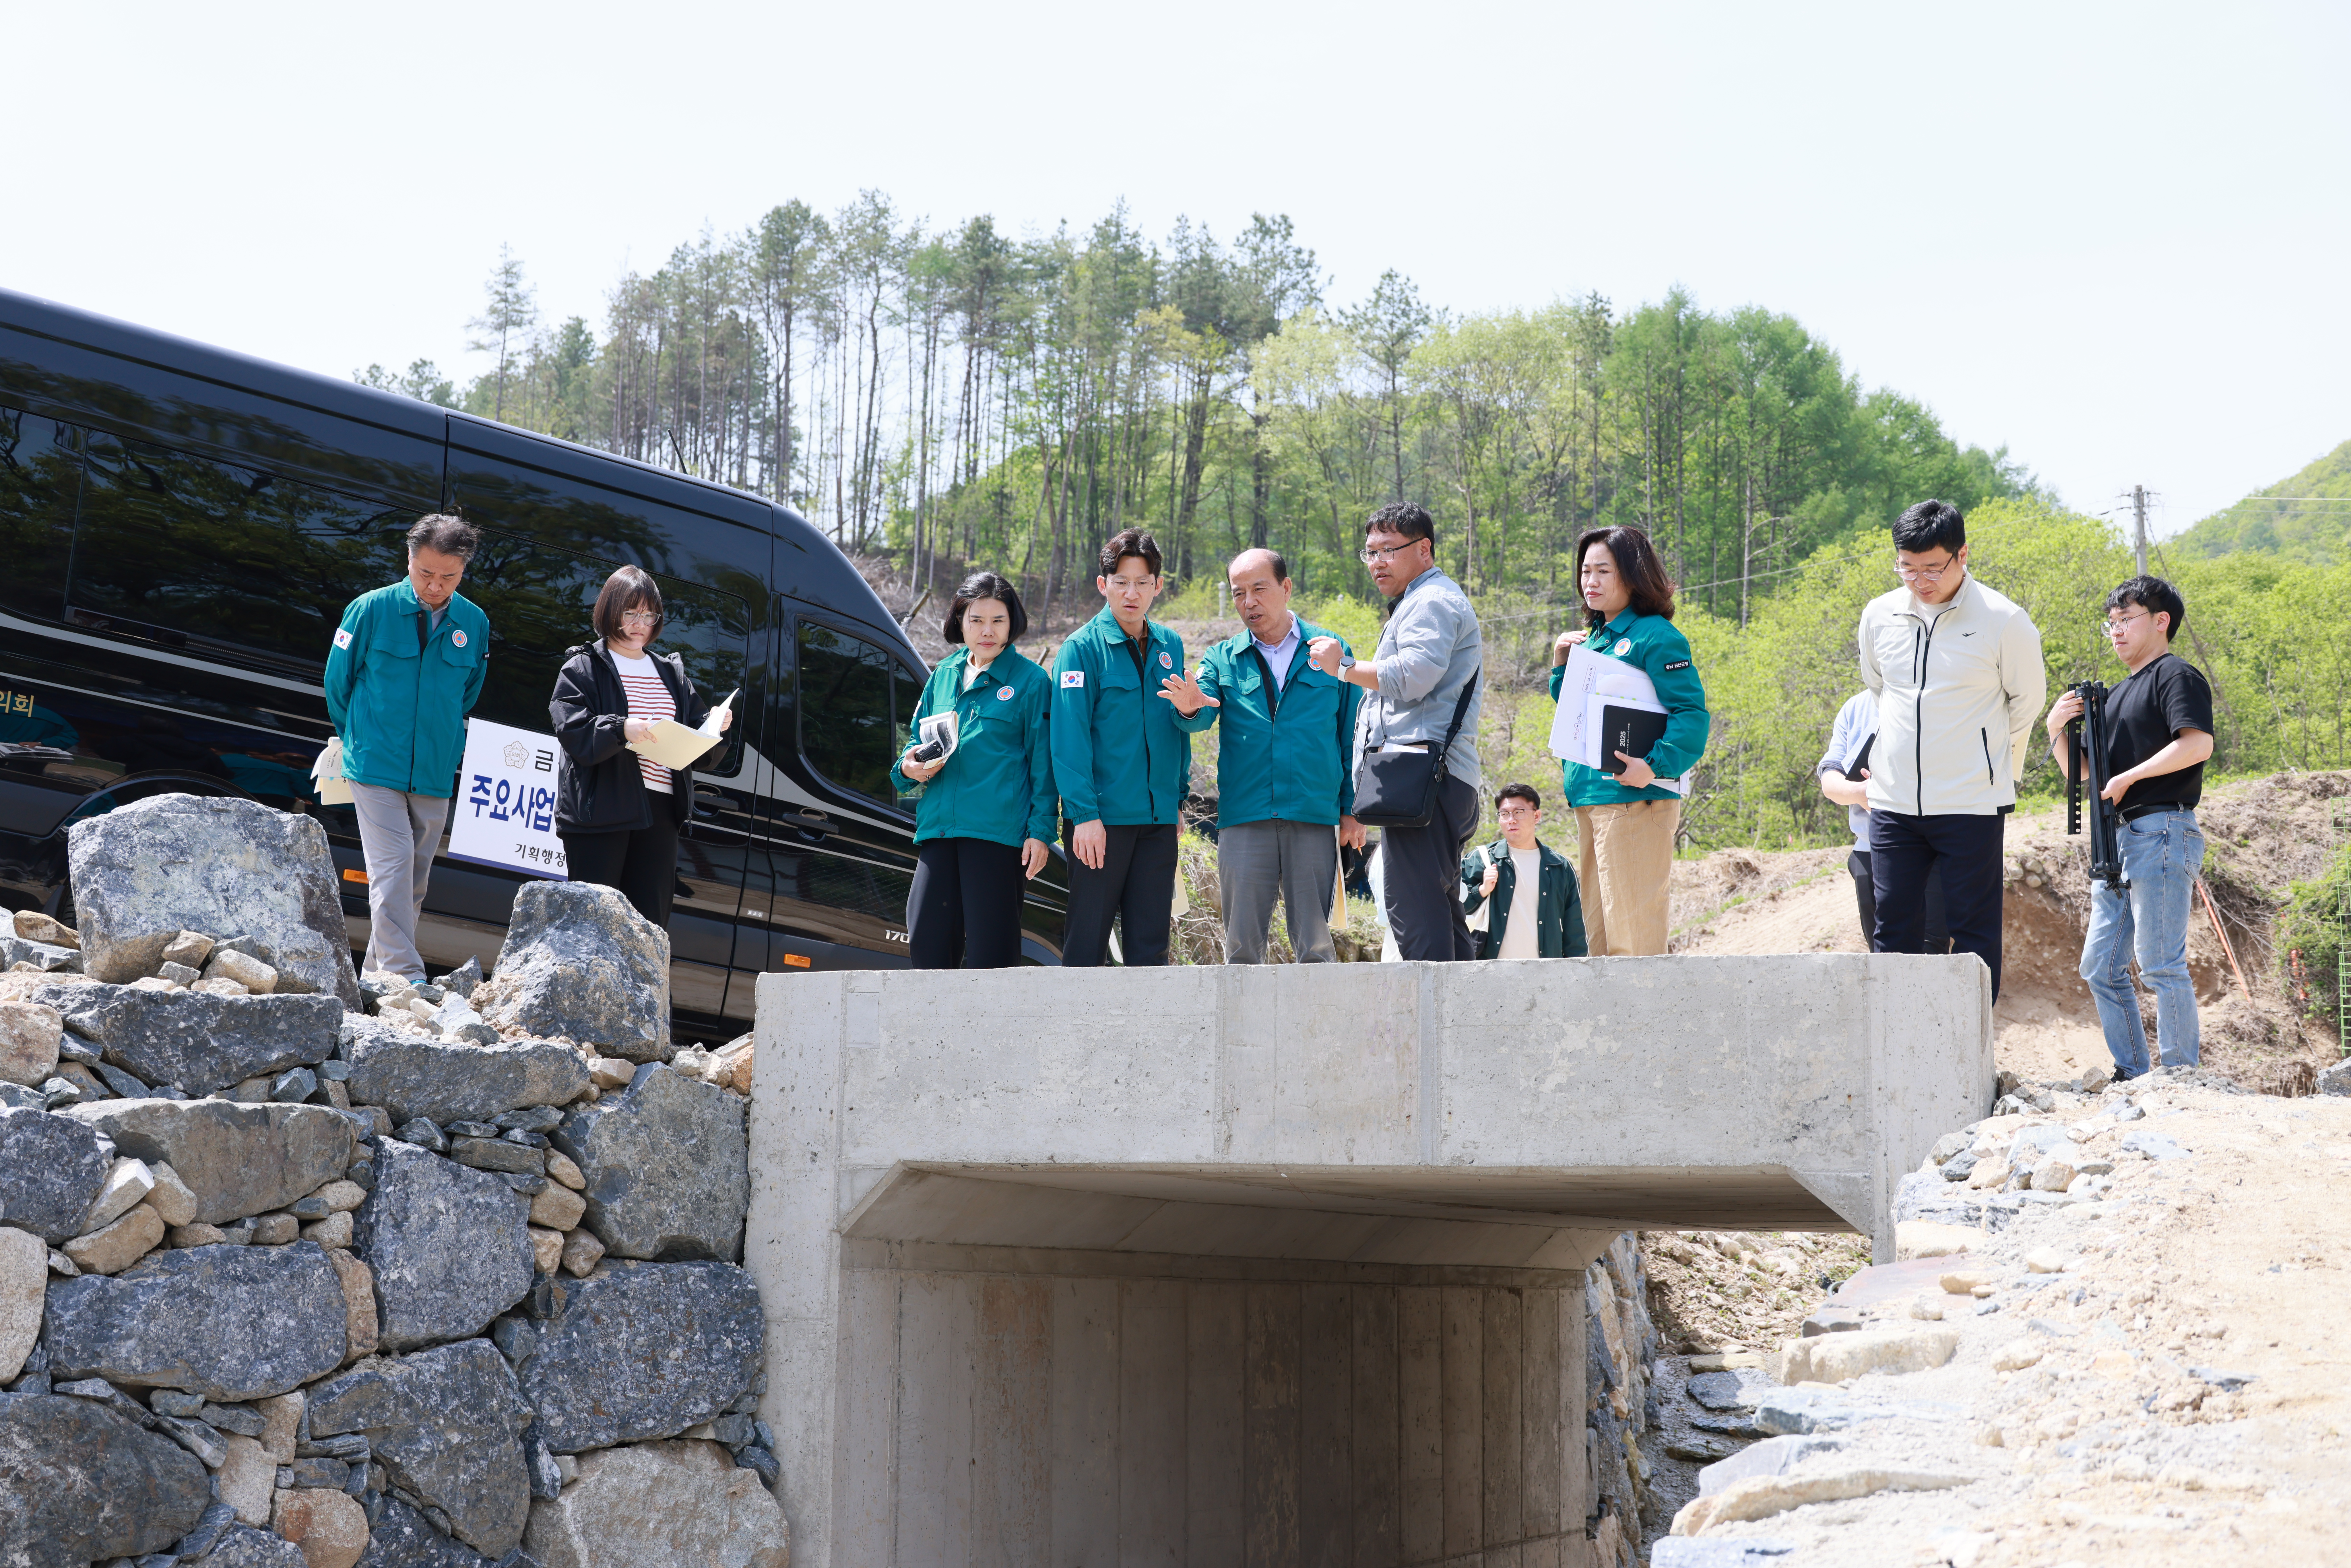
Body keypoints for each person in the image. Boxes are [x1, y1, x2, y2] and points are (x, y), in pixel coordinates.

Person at [1857, 499, 2045, 999]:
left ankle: (1972, 1039)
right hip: (1894, 800)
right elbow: (1879, 687)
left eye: (1932, 569)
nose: (1919, 581)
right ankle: (1894, 1035)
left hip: (1970, 802)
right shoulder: (1878, 615)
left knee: (1973, 931)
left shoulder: (2004, 619)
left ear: (1962, 555)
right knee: (1892, 925)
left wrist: (1981, 757)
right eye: (1907, 568)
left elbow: (2027, 701)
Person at [2043, 576, 2214, 1077]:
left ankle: (2179, 1077)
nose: (2116, 631)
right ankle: (2133, 1073)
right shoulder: (2115, 695)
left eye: (2126, 620)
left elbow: (2197, 744)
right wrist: (2054, 727)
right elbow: (2081, 772)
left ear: (2161, 622)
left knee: (2160, 963)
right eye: (2111, 623)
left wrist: (2131, 776)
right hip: (2116, 840)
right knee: (2100, 966)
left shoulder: (2175, 675)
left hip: (2162, 828)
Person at [1162, 548, 1363, 964]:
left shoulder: (1329, 650)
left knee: (1316, 947)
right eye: (1239, 594)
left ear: (1286, 588)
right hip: (1245, 817)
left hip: (1313, 814)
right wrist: (1189, 707)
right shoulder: (1223, 657)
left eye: (1259, 589)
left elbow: (1352, 736)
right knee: (1241, 949)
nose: (1249, 602)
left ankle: (1318, 1011)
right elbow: (1201, 713)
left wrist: (1352, 810)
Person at [1308, 502, 1483, 961]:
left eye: (1389, 550)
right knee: (1439, 911)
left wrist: (1343, 667)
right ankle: (1460, 1007)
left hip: (1427, 778)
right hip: (1430, 779)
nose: (1377, 563)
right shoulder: (1422, 600)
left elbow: (1412, 676)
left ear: (1424, 550)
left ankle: (1430, 1009)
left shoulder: (1432, 601)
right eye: (1370, 553)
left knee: (1415, 912)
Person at [325, 515, 492, 982]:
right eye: (426, 573)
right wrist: (361, 738)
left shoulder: (474, 623)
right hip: (375, 763)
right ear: (409, 559)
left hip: (435, 769)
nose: (435, 586)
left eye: (449, 577)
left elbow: (469, 692)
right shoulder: (370, 609)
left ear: (463, 570)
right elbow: (338, 684)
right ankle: (405, 971)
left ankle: (377, 980)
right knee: (394, 864)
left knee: (413, 877)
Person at [1550, 527, 1709, 957]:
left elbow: (1691, 715)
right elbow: (1579, 714)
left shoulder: (1656, 635)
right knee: (1599, 945)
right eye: (1585, 571)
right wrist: (1562, 665)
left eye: (1603, 571)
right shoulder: (1595, 637)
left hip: (1635, 799)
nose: (1590, 582)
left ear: (1633, 575)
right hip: (1591, 799)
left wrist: (1654, 765)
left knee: (1633, 944)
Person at [550, 565, 732, 927]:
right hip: (603, 809)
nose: (640, 624)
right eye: (630, 613)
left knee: (648, 927)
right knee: (592, 925)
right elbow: (573, 730)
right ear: (610, 611)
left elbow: (699, 740)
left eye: (649, 615)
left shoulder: (670, 673)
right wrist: (622, 728)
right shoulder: (584, 667)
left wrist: (714, 726)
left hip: (661, 812)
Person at [891, 572, 1056, 969]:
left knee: (991, 958)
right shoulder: (943, 675)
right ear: (960, 622)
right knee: (926, 942)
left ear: (1012, 624)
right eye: (977, 620)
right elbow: (914, 744)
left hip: (995, 836)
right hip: (939, 830)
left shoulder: (1032, 682)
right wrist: (908, 768)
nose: (987, 631)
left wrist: (1041, 833)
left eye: (998, 621)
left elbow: (1045, 765)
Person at [1051, 529, 1191, 967]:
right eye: (1122, 582)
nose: (1132, 594)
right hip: (1102, 824)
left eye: (1143, 583)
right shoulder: (1081, 649)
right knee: (1087, 942)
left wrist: (1176, 800)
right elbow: (1069, 739)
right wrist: (1084, 816)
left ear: (1158, 586)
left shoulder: (1170, 645)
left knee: (1151, 948)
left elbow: (1176, 727)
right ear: (1103, 584)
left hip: (1158, 822)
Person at [1817, 690, 1949, 953]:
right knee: (1885, 958)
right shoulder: (1856, 707)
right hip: (1868, 851)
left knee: (1930, 955)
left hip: (1931, 846)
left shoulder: (1938, 693)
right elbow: (1830, 777)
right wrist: (1860, 792)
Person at [1460, 784, 1587, 960]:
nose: (1511, 820)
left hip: (1546, 971)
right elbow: (1451, 910)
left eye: (1519, 812)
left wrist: (1576, 969)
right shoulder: (1480, 859)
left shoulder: (1560, 866)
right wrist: (1481, 891)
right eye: (1504, 814)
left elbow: (1575, 927)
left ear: (1537, 816)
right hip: (1489, 970)